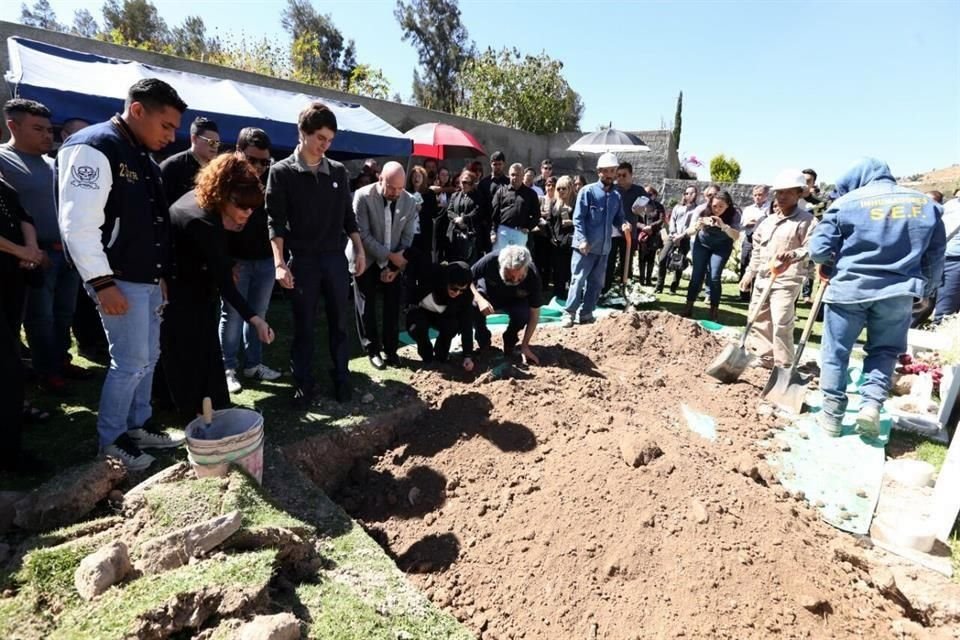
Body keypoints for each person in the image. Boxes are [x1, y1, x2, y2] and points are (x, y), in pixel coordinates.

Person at [57, 78, 188, 471]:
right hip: (117, 278)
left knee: (149, 357)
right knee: (129, 362)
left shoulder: (142, 157)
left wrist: (160, 274)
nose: (171, 135)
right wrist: (102, 282)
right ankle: (112, 441)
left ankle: (138, 425)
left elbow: (152, 224)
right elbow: (77, 223)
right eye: (166, 125)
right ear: (137, 111)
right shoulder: (95, 146)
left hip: (147, 278)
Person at [810, 158, 945, 438]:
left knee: (836, 352)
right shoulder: (926, 205)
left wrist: (831, 263)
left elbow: (819, 250)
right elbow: (934, 257)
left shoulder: (845, 204)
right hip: (898, 293)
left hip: (849, 289)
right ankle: (870, 404)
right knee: (884, 351)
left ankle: (832, 417)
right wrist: (926, 290)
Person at [266, 101, 366, 406]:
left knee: (339, 322)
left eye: (330, 140)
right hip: (303, 260)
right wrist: (279, 263)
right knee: (304, 325)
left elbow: (348, 216)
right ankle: (304, 383)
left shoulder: (337, 171)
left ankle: (342, 378)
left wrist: (358, 249)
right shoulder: (281, 172)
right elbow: (275, 222)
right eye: (321, 138)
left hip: (334, 258)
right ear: (303, 133)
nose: (325, 145)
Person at [162, 155, 275, 417]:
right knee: (189, 354)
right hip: (180, 292)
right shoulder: (203, 223)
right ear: (223, 194)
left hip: (196, 285)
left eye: (252, 208)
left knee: (206, 351)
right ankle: (195, 412)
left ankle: (212, 403)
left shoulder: (205, 202)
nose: (247, 214)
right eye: (242, 207)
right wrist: (255, 320)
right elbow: (226, 284)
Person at [1, 99, 89, 393]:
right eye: (38, 129)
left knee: (65, 312)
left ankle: (61, 360)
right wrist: (31, 250)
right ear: (12, 125)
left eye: (49, 130)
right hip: (33, 254)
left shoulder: (54, 163)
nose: (47, 136)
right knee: (40, 317)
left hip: (65, 250)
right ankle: (46, 372)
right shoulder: (3, 160)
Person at [220, 127, 281, 394]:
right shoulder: (224, 179)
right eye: (252, 159)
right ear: (238, 152)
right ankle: (228, 367)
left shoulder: (272, 180)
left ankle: (253, 364)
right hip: (236, 261)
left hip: (265, 260)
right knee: (232, 315)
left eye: (264, 161)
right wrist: (225, 262)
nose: (258, 166)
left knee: (259, 314)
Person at [739, 171, 817, 369]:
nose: (782, 197)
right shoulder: (767, 221)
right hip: (763, 276)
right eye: (779, 193)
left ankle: (784, 364)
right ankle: (766, 357)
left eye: (788, 193)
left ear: (799, 194)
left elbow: (811, 248)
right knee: (758, 317)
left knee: (781, 321)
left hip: (787, 278)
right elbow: (757, 250)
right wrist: (750, 273)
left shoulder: (806, 221)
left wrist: (793, 255)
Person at [0, 175, 48, 472]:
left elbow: (22, 215)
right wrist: (21, 251)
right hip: (13, 264)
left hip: (12, 280)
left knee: (12, 361)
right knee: (7, 367)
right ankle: (8, 454)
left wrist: (30, 247)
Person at [353, 162, 418, 370]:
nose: (396, 193)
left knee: (393, 304)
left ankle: (391, 350)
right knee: (366, 305)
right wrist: (389, 256)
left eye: (400, 188)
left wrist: (395, 267)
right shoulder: (363, 196)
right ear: (380, 178)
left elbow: (408, 237)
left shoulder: (408, 201)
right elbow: (362, 235)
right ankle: (372, 349)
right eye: (391, 187)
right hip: (365, 257)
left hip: (395, 258)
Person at [561, 152, 627, 327]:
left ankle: (587, 313)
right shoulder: (587, 191)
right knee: (578, 280)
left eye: (612, 171)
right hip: (585, 247)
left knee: (597, 284)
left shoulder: (616, 196)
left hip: (603, 249)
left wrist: (624, 224)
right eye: (605, 170)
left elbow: (619, 218)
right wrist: (582, 240)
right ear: (599, 172)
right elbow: (578, 218)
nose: (608, 174)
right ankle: (569, 313)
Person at [472, 245, 542, 364]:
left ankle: (510, 341)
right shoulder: (490, 260)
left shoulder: (533, 275)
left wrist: (525, 346)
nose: (515, 280)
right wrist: (479, 299)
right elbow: (467, 279)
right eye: (510, 275)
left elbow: (535, 314)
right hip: (489, 294)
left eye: (520, 277)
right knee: (473, 306)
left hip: (515, 299)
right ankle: (484, 344)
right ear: (500, 266)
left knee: (523, 314)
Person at [405, 255, 475, 371]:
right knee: (417, 327)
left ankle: (440, 357)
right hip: (421, 312)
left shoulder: (466, 297)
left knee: (452, 325)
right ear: (446, 281)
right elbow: (413, 258)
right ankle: (427, 356)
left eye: (461, 290)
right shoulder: (432, 275)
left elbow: (467, 324)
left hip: (444, 317)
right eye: (453, 288)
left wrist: (468, 356)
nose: (457, 293)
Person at [681, 190, 741, 321]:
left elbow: (736, 236)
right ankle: (688, 306)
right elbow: (689, 232)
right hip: (702, 244)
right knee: (697, 275)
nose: (717, 209)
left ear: (728, 205)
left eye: (721, 207)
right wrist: (698, 226)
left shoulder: (734, 214)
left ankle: (714, 310)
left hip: (722, 247)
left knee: (714, 276)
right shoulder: (702, 210)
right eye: (714, 206)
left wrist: (723, 226)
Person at [159, 116, 220, 204]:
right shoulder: (173, 165)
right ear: (194, 139)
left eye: (217, 143)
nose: (215, 147)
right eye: (211, 142)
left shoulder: (216, 170)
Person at [656, 185, 698, 294]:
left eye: (693, 193)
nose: (690, 195)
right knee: (662, 258)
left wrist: (682, 236)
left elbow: (693, 226)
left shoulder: (696, 210)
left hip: (685, 238)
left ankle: (673, 287)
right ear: (684, 195)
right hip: (672, 237)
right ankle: (659, 286)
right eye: (688, 193)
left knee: (680, 262)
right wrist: (674, 234)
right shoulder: (677, 207)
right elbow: (672, 221)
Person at [611, 162, 647, 287]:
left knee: (626, 264)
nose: (620, 178)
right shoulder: (612, 189)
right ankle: (606, 290)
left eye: (624, 175)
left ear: (631, 175)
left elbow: (651, 207)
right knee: (609, 263)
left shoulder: (639, 190)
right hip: (612, 232)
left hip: (629, 234)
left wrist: (643, 208)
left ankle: (625, 290)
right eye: (618, 175)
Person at [491, 163, 539, 252]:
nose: (515, 177)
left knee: (519, 263)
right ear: (509, 175)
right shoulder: (501, 192)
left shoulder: (531, 194)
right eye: (513, 175)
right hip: (503, 232)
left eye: (518, 175)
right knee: (502, 261)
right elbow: (494, 214)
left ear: (523, 176)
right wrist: (493, 232)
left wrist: (528, 227)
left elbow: (536, 215)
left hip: (520, 233)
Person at [738, 185, 770, 301]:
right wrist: (748, 223)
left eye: (760, 194)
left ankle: (755, 295)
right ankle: (743, 294)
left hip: (763, 241)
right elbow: (741, 225)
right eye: (755, 195)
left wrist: (758, 223)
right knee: (744, 263)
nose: (757, 197)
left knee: (759, 267)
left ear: (766, 195)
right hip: (749, 239)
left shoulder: (770, 208)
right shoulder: (748, 209)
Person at [445, 169, 483, 264]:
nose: (466, 185)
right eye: (464, 182)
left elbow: (478, 211)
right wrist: (457, 219)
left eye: (469, 183)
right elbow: (449, 210)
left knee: (470, 264)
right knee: (454, 263)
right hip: (455, 234)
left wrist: (464, 219)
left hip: (470, 235)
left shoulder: (478, 196)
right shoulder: (455, 195)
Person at [933, 192, 960, 322]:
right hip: (941, 257)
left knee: (946, 305)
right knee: (924, 301)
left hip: (953, 259)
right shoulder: (950, 206)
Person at [551, 175, 576, 300]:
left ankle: (571, 297)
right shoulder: (555, 204)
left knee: (570, 271)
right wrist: (552, 237)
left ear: (570, 189)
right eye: (558, 189)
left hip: (571, 242)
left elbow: (583, 221)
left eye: (564, 188)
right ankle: (558, 295)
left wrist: (572, 222)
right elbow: (550, 222)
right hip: (557, 242)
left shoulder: (576, 204)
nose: (561, 191)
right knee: (558, 271)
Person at [407, 165, 440, 260]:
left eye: (419, 176)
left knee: (424, 258)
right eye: (414, 176)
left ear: (423, 178)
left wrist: (422, 209)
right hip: (410, 232)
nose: (416, 179)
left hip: (424, 232)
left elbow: (434, 213)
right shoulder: (406, 193)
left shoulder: (429, 194)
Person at [530, 175, 556, 287]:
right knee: (538, 260)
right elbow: (534, 215)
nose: (550, 187)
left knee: (549, 261)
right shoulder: (540, 199)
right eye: (548, 185)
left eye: (553, 185)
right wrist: (541, 216)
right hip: (540, 234)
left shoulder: (557, 201)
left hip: (553, 235)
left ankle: (546, 283)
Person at [635, 185, 665, 286]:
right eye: (645, 193)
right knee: (641, 258)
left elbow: (661, 220)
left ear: (654, 195)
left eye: (649, 194)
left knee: (651, 258)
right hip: (642, 235)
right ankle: (641, 279)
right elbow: (635, 219)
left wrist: (651, 227)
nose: (647, 195)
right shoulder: (640, 205)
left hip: (653, 235)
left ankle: (648, 279)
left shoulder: (659, 207)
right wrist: (643, 227)